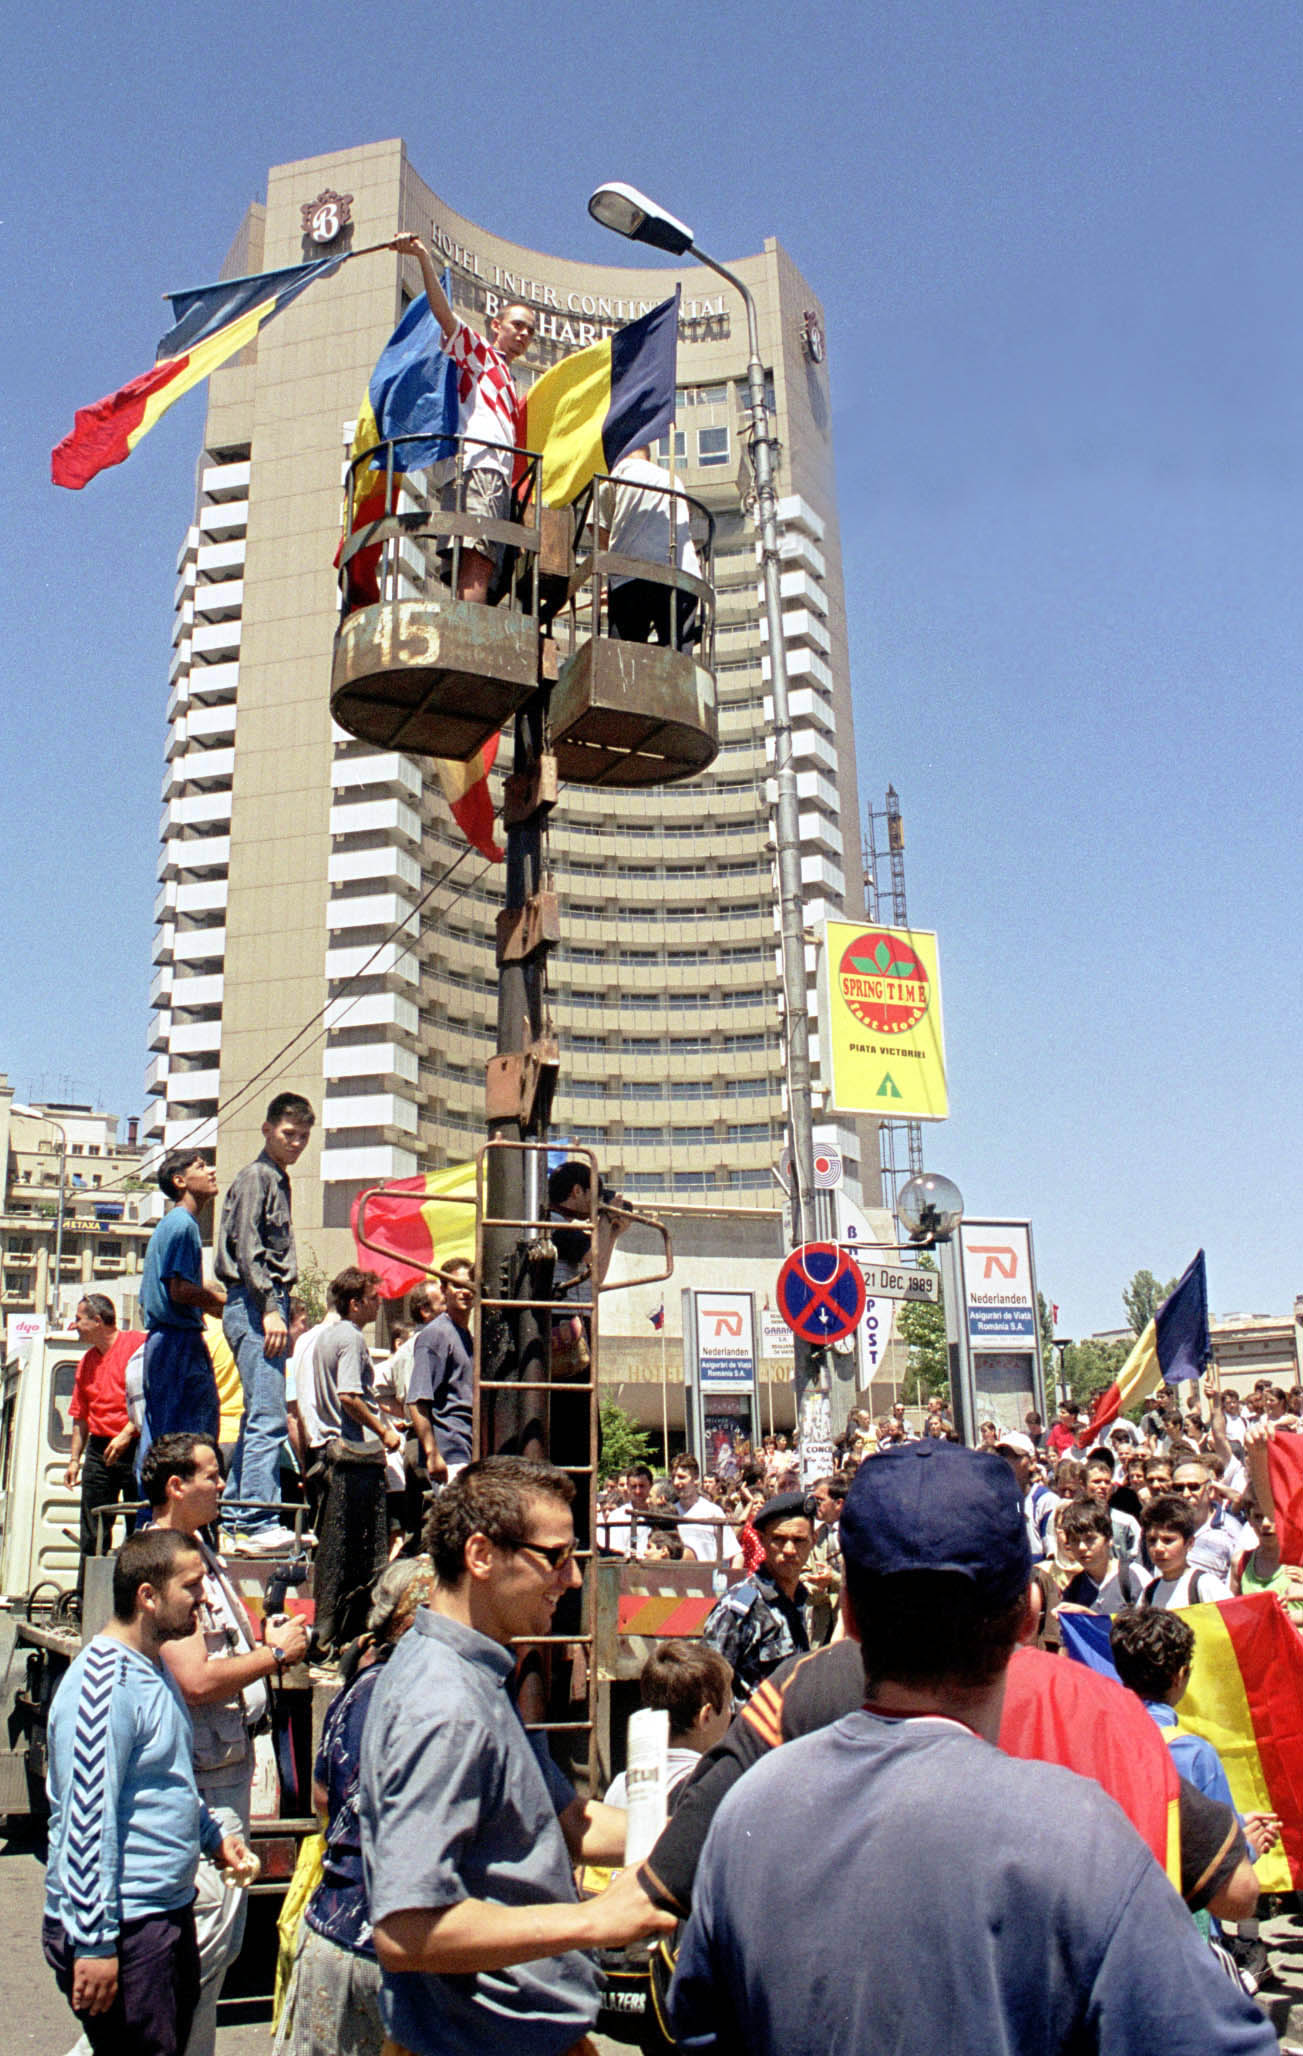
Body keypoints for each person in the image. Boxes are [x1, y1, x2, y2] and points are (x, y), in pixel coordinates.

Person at [667, 1441, 1275, 2056]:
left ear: (846, 1615)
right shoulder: (1079, 1832)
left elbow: (697, 2024)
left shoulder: (748, 1819)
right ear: (1025, 1618)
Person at [359, 1457, 674, 2056]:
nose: (573, 1580)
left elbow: (561, 1820)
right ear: (480, 1556)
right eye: (555, 1557)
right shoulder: (444, 1705)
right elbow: (407, 1930)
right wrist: (598, 1919)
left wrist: (692, 1839)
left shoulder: (478, 1675)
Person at [42, 1527, 253, 2056]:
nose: (203, 1598)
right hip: (124, 1927)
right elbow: (88, 1821)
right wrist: (94, 1944)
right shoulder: (104, 1687)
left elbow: (167, 1778)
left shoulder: (152, 1669)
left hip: (163, 1915)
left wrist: (212, 1837)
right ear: (147, 1596)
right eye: (192, 1585)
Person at [141, 1433, 308, 2056]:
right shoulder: (162, 1559)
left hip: (226, 1765)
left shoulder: (200, 1550)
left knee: (214, 1958)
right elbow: (195, 1679)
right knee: (198, 1947)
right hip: (202, 1780)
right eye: (210, 1475)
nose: (221, 1485)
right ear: (175, 1486)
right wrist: (273, 1655)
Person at [278, 1555, 438, 2056]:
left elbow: (322, 1796)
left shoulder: (358, 1687)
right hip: (387, 1951)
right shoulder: (424, 1695)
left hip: (331, 1933)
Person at [390, 232, 535, 606]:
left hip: (496, 475)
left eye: (530, 330)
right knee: (476, 558)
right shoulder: (481, 355)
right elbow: (444, 316)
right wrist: (423, 257)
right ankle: (468, 636)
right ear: (495, 326)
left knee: (485, 563)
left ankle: (471, 624)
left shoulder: (509, 377)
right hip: (478, 467)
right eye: (517, 324)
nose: (524, 333)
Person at [217, 1093, 314, 1552]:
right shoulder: (259, 1176)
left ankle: (238, 1519)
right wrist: (271, 1307)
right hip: (257, 1300)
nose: (295, 1143)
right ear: (267, 1129)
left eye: (302, 1137)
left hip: (258, 1300)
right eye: (288, 1134)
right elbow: (248, 1246)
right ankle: (255, 1520)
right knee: (269, 1415)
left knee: (262, 1413)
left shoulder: (278, 1179)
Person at [309, 1268, 403, 1662]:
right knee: (354, 1553)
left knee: (338, 1550)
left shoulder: (325, 1337)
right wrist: (384, 1432)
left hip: (331, 1452)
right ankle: (337, 1636)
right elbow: (349, 1395)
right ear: (355, 1303)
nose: (379, 1302)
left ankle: (331, 1636)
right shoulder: (349, 1338)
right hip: (350, 1459)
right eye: (373, 1297)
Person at [140, 1151, 225, 1468]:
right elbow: (180, 1290)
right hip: (178, 1343)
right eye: (201, 1167)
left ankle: (155, 1514)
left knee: (165, 1440)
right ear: (180, 1181)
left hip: (167, 1343)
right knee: (189, 1441)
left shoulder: (173, 1224)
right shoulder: (182, 1225)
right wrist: (225, 1303)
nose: (211, 1171)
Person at [702, 1491, 813, 1705]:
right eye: (778, 1540)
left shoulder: (800, 1599)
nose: (789, 1550)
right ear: (762, 1540)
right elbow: (708, 1684)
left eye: (799, 1541)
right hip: (749, 1733)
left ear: (813, 1541)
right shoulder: (741, 1606)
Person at [66, 1295, 146, 1578]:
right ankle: (85, 1601)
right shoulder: (86, 1361)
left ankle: (133, 1599)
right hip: (100, 1450)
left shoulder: (137, 1345)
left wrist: (128, 1433)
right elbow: (80, 1415)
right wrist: (75, 1460)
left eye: (79, 1319)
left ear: (97, 1321)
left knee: (139, 1528)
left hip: (136, 1443)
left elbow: (150, 1395)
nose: (74, 1325)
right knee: (93, 1530)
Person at [604, 1641, 732, 1809]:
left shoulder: (620, 1786)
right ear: (705, 1717)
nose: (731, 1714)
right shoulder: (714, 1786)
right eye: (729, 1705)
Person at [600, 446, 701, 649]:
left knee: (626, 658)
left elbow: (596, 525)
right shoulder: (673, 480)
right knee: (678, 654)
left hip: (631, 577)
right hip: (681, 574)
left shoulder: (619, 474)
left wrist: (614, 566)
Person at [406, 1260, 475, 1489]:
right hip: (450, 1454)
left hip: (470, 1451)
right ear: (444, 1290)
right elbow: (417, 1400)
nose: (465, 1291)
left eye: (469, 1284)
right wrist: (432, 1452)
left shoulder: (469, 1338)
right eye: (457, 1285)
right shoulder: (435, 1335)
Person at [1137, 1494, 1231, 1607]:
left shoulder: (1205, 1585)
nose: (1158, 1548)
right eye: (1152, 1540)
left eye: (1168, 1540)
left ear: (1189, 1543)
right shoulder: (1149, 1593)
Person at [670, 1454, 726, 1564]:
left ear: (695, 1478)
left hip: (708, 1578)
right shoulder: (670, 1512)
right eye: (673, 1477)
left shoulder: (713, 1512)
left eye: (681, 1477)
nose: (676, 1483)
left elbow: (735, 1554)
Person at [600, 1462, 655, 1555]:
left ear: (650, 1485)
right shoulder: (617, 1516)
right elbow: (616, 1550)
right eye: (634, 1486)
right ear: (628, 1487)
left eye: (642, 1486)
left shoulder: (659, 1514)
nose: (638, 1491)